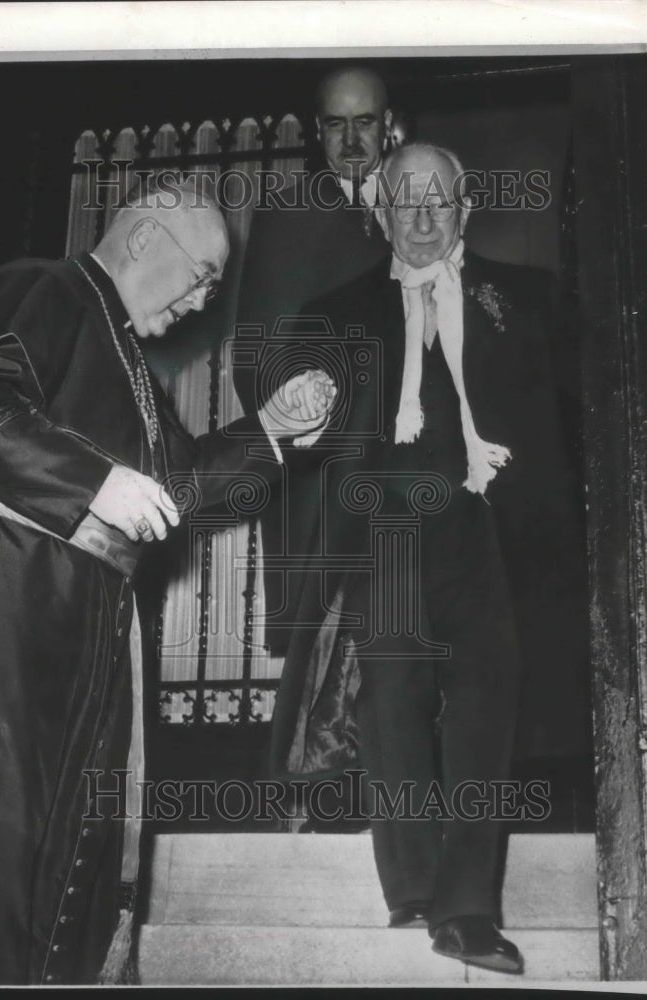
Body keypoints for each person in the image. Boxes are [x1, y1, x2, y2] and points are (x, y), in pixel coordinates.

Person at [0, 176, 333, 986]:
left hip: (80, 626)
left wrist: (273, 433)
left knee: (58, 847)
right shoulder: (42, 286)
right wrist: (93, 483)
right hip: (10, 607)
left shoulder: (125, 354)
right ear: (144, 238)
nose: (206, 302)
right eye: (203, 275)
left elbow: (177, 484)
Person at [268, 142, 587, 975]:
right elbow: (292, 427)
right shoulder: (332, 314)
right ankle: (411, 887)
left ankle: (468, 907)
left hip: (490, 534)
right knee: (392, 701)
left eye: (436, 202)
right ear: (378, 214)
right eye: (403, 202)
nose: (419, 217)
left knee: (485, 710)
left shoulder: (526, 298)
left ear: (464, 210)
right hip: (387, 532)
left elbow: (574, 425)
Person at [234, 65, 395, 654]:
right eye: (335, 125)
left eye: (365, 122)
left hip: (413, 481)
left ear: (389, 125)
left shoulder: (420, 204)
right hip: (326, 479)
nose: (351, 141)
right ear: (316, 132)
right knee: (326, 681)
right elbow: (258, 357)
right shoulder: (290, 213)